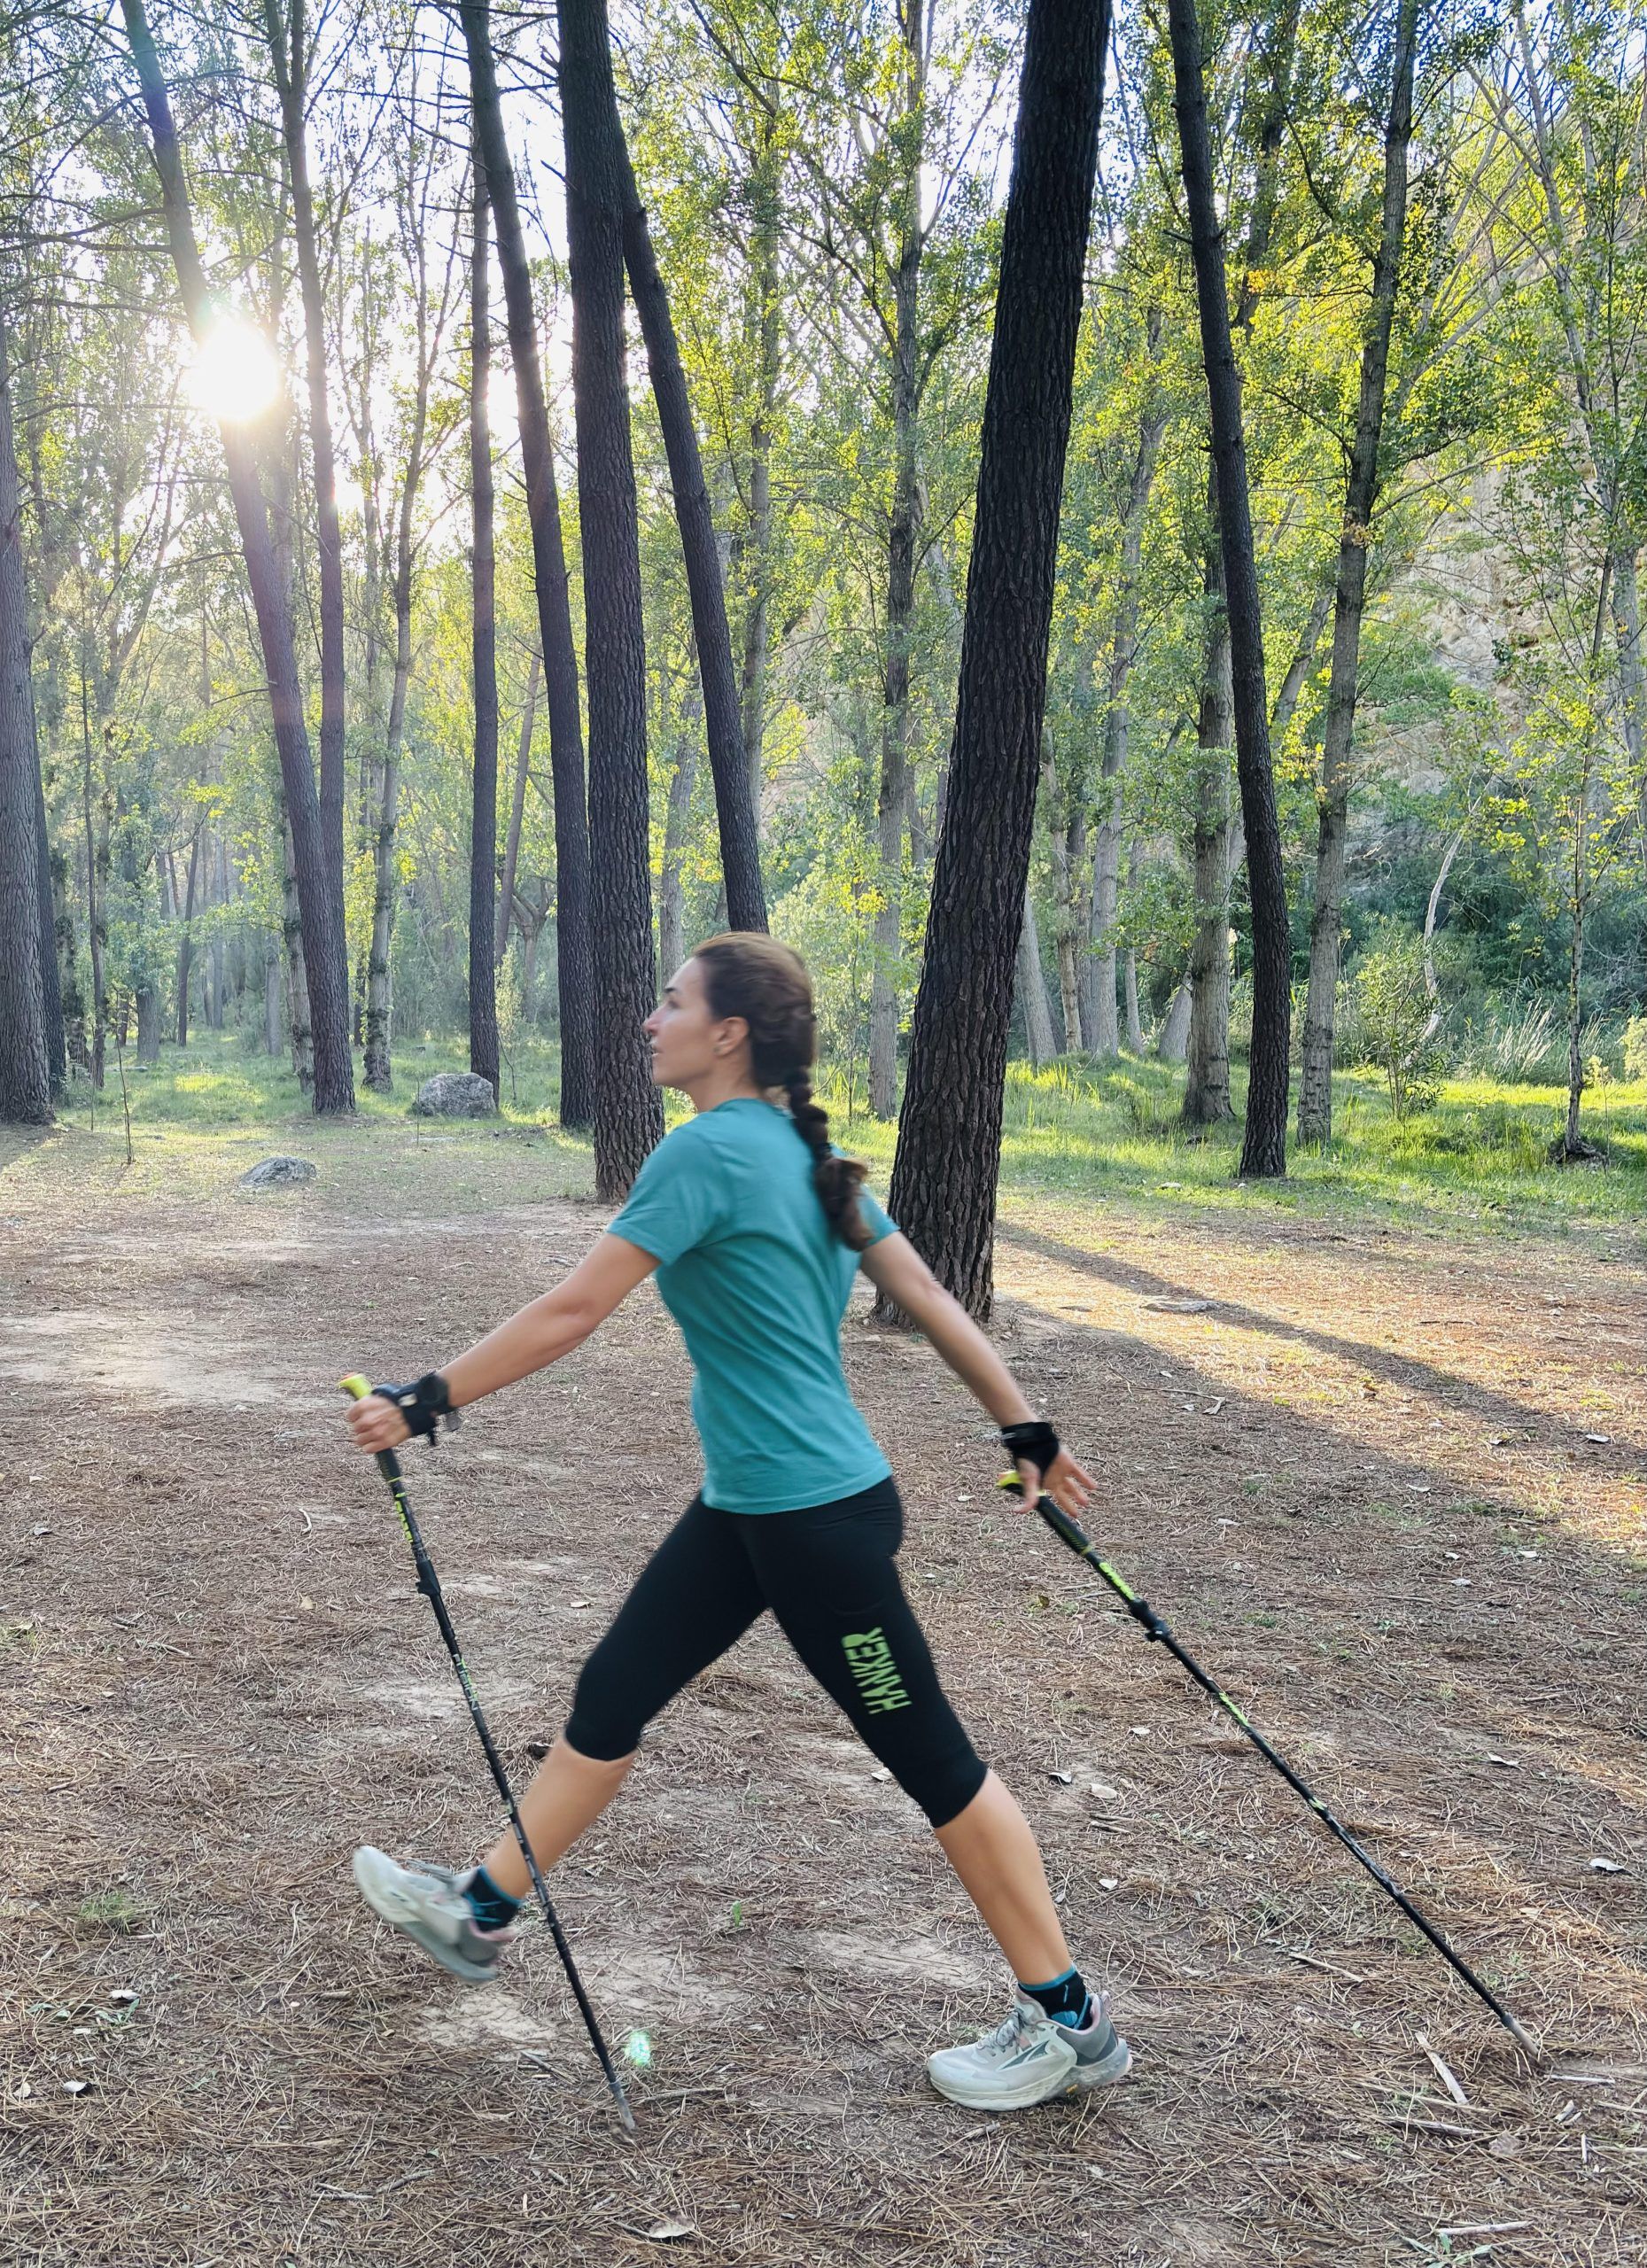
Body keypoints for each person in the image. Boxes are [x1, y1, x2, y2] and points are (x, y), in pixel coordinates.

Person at [346, 932, 1129, 2113]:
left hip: (816, 1526)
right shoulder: (809, 1163)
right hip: (756, 1506)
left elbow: (574, 1310)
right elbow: (924, 1295)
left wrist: (428, 1397)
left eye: (671, 1004)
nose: (650, 1021)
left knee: (933, 1760)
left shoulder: (706, 1154)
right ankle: (479, 1912)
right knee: (611, 1697)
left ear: (729, 1035)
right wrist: (1024, 1425)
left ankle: (1069, 2020)